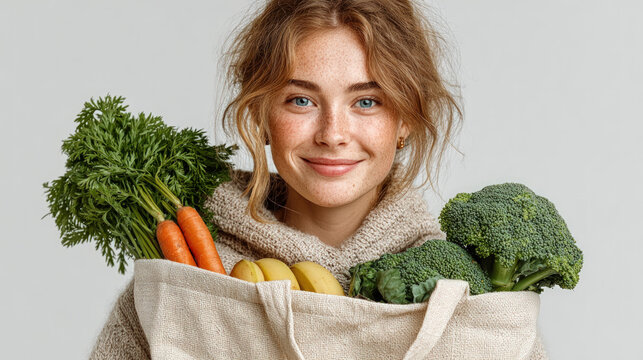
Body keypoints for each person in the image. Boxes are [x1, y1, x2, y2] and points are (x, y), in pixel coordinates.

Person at [89, 0, 466, 358]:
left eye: (366, 101)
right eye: (301, 100)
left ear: (406, 120)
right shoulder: (179, 286)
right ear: (260, 114)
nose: (332, 135)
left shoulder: (461, 291)